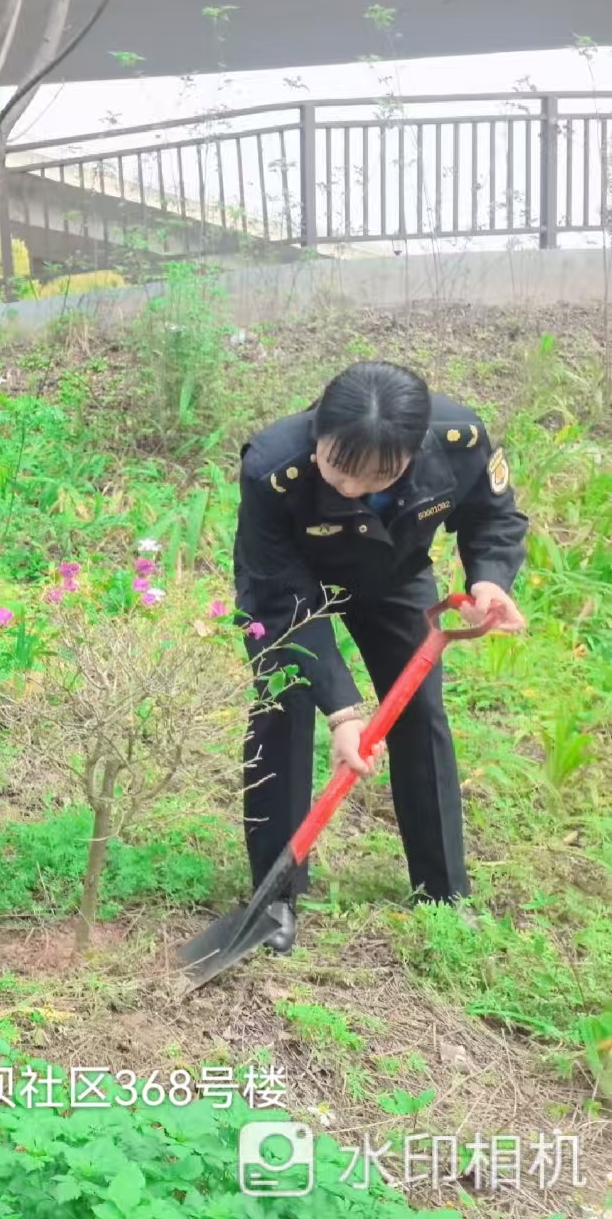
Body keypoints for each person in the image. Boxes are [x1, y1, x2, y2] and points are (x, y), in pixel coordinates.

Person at [234, 361, 529, 952]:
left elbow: (492, 517)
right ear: (318, 432)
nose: (350, 489)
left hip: (393, 576)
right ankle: (275, 899)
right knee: (284, 708)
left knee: (420, 713)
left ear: (413, 453)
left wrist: (490, 581)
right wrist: (344, 714)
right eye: (339, 469)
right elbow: (283, 598)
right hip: (292, 588)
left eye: (375, 477)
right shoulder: (273, 467)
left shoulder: (458, 441)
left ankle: (442, 892)